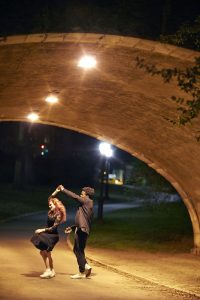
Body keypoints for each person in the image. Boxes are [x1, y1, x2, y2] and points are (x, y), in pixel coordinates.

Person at [56, 185, 94, 279]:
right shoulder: (86, 204)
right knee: (79, 250)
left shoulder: (86, 201)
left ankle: (85, 267)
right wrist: (73, 228)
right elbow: (83, 220)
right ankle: (82, 271)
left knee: (77, 250)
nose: (81, 193)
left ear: (86, 194)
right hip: (82, 229)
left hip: (82, 230)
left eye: (82, 192)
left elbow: (74, 196)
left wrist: (63, 189)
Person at [30, 197, 66, 279]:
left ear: (55, 204)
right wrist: (56, 191)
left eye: (51, 205)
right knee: (43, 252)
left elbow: (53, 228)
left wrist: (42, 230)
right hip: (47, 234)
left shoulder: (59, 214)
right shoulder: (50, 212)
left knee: (46, 252)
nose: (49, 206)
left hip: (53, 236)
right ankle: (51, 270)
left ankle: (48, 270)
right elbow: (50, 198)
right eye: (49, 205)